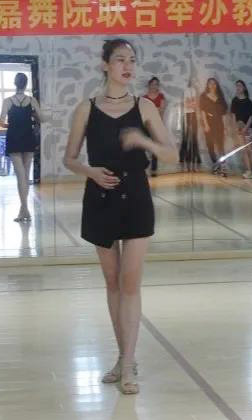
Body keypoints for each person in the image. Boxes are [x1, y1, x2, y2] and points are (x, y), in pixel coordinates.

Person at [63, 39, 178, 395]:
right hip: (99, 196)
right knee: (112, 283)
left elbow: (171, 155)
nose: (127, 66)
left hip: (136, 196)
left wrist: (144, 142)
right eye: (120, 60)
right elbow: (69, 158)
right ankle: (122, 355)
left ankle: (128, 364)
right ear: (105, 65)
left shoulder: (145, 106)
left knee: (130, 283)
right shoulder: (86, 108)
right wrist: (90, 172)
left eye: (132, 60)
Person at [0, 73, 43, 222]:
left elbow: (1, 122)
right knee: (26, 174)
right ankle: (24, 210)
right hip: (28, 136)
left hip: (14, 137)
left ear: (14, 83)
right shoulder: (32, 100)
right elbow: (42, 118)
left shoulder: (7, 101)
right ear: (26, 84)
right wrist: (32, 118)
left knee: (21, 176)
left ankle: (24, 209)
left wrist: (11, 125)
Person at [200, 77, 228, 176]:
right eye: (210, 83)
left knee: (220, 146)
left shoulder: (220, 97)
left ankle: (223, 168)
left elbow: (224, 113)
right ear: (207, 85)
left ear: (217, 85)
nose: (212, 85)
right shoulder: (203, 96)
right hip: (209, 123)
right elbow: (202, 111)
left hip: (219, 123)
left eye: (214, 83)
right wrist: (206, 124)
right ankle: (216, 165)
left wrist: (225, 127)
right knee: (210, 146)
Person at [230, 80, 252, 179]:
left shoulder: (249, 102)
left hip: (248, 129)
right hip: (239, 129)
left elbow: (251, 117)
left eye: (240, 86)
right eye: (237, 86)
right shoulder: (234, 101)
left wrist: (246, 128)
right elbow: (233, 116)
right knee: (244, 150)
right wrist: (235, 127)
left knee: (251, 151)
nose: (238, 88)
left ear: (244, 88)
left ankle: (250, 172)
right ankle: (249, 172)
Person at [143, 77, 166, 177]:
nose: (154, 86)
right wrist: (155, 109)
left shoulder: (161, 96)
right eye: (152, 84)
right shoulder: (144, 98)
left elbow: (161, 111)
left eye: (156, 84)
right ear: (149, 85)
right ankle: (142, 165)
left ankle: (153, 169)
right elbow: (144, 113)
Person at [181, 80, 201, 171]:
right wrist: (191, 104)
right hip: (186, 115)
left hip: (194, 115)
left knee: (194, 139)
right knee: (186, 139)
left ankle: (194, 162)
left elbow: (196, 104)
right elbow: (186, 104)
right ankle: (184, 162)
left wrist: (193, 105)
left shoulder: (195, 91)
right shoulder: (186, 90)